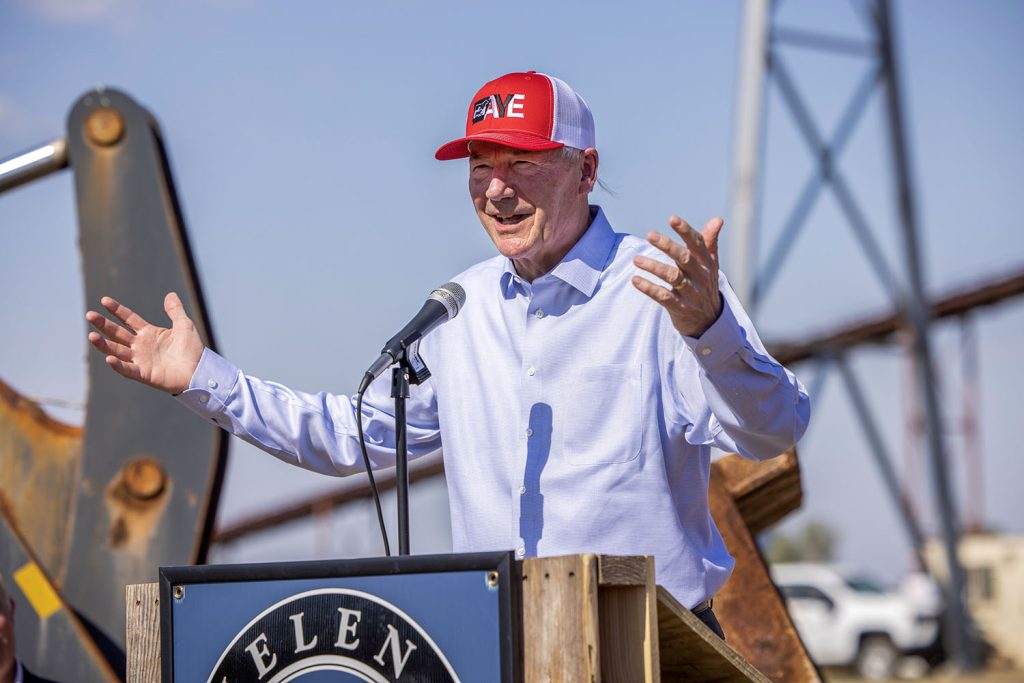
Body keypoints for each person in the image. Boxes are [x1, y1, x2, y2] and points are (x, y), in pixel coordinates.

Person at [85, 71, 810, 638]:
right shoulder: (459, 306)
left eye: (521, 163)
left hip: (650, 647)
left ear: (586, 171)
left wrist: (708, 327)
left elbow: (771, 430)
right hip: (500, 646)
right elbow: (353, 435)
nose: (495, 190)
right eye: (478, 164)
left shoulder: (664, 289)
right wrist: (206, 380)